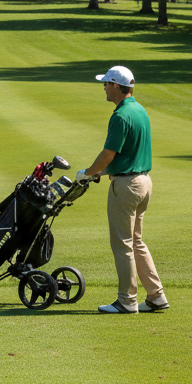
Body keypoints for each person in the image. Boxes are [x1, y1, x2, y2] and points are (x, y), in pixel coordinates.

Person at [76, 65, 168, 314]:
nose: (104, 87)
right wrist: (102, 172)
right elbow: (128, 153)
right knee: (136, 241)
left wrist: (88, 173)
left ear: (116, 85)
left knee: (123, 243)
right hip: (144, 182)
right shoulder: (139, 110)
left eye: (106, 84)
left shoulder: (120, 115)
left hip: (126, 186)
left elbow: (108, 154)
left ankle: (127, 300)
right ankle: (156, 297)